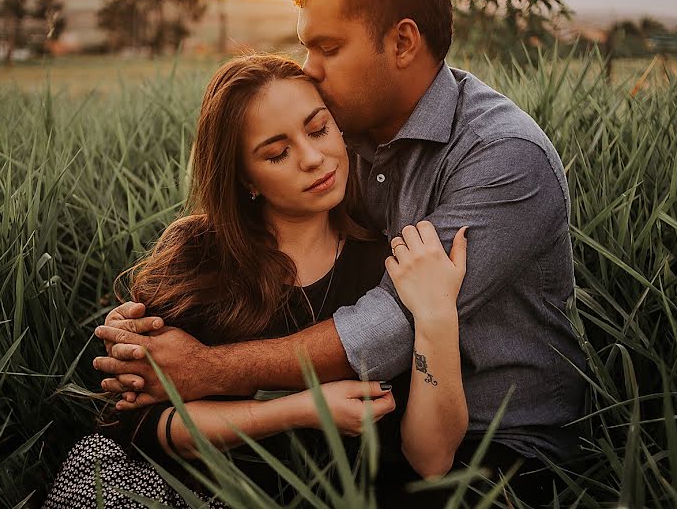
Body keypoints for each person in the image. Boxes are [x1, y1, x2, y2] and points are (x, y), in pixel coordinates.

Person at [95, 0, 587, 506]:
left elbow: (390, 325)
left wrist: (205, 370)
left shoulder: (504, 156)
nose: (312, 69)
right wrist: (141, 331)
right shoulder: (338, 130)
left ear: (403, 41)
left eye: (328, 47)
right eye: (307, 47)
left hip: (502, 443)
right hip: (369, 431)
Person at [45, 54, 469, 508]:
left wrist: (437, 316)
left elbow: (432, 459)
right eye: (278, 153)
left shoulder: (387, 264)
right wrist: (299, 410)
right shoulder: (199, 254)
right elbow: (142, 425)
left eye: (319, 129)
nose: (312, 158)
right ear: (246, 178)